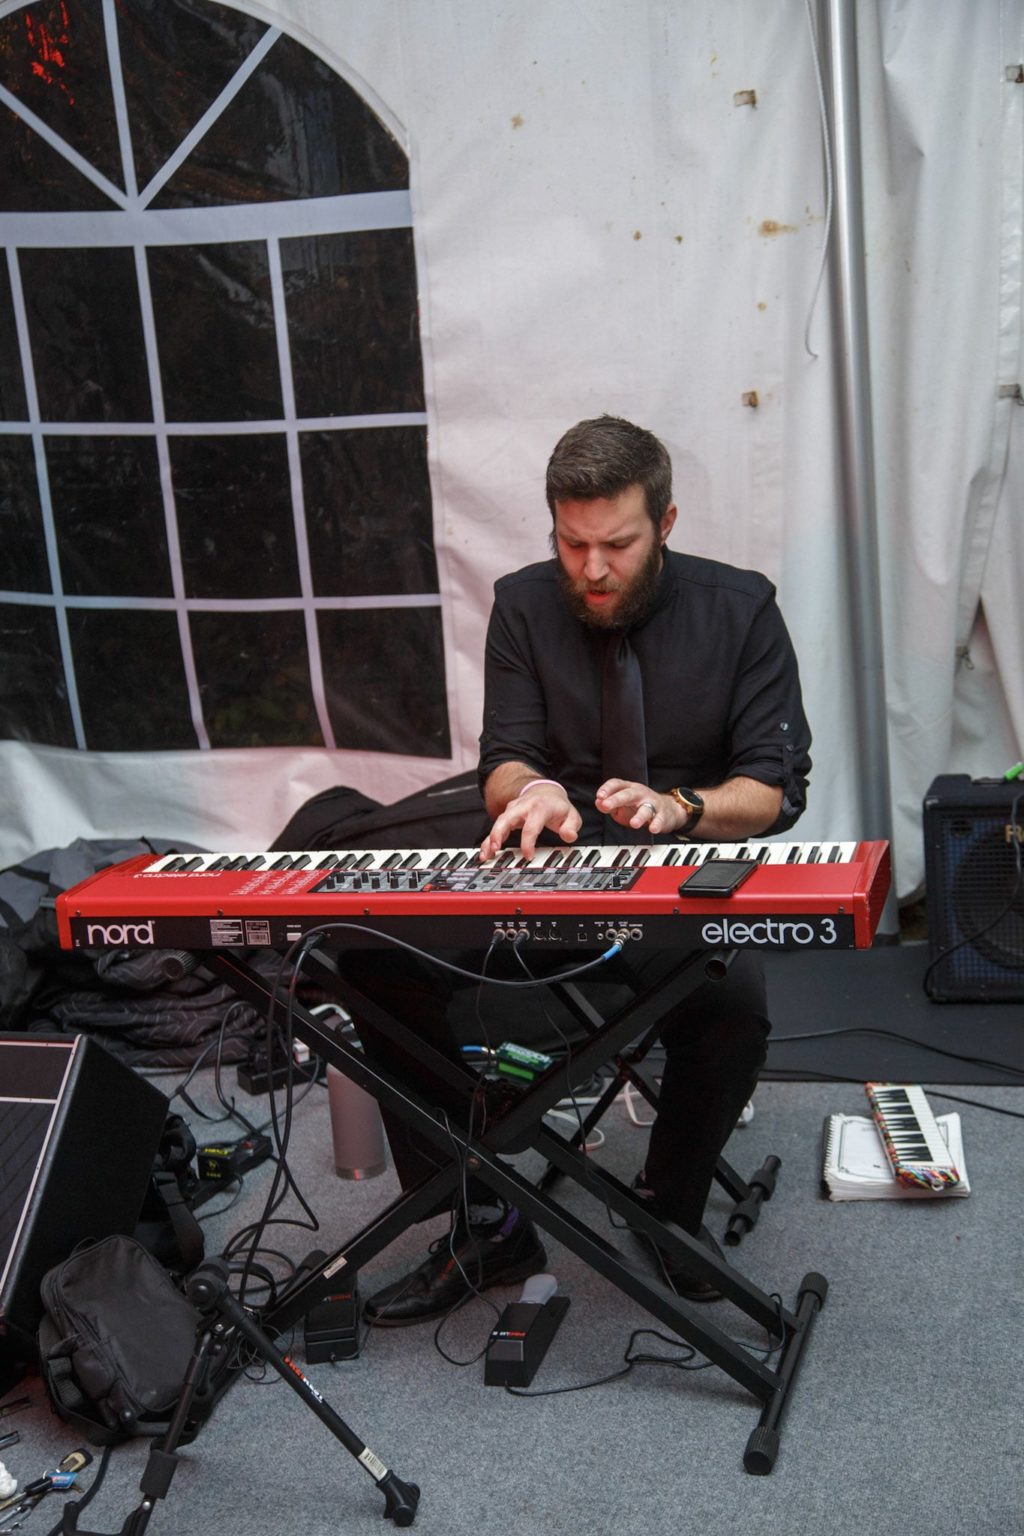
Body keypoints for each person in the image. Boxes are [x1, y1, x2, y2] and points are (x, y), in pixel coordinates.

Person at [357, 414, 812, 1325]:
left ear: (666, 523)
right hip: (551, 867)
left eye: (617, 545)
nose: (592, 569)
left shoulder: (742, 610)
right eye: (572, 543)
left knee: (730, 1002)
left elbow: (771, 788)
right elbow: (506, 757)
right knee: (373, 962)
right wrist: (530, 791)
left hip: (679, 876)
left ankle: (668, 1207)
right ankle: (482, 1216)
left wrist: (680, 808)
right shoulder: (524, 605)